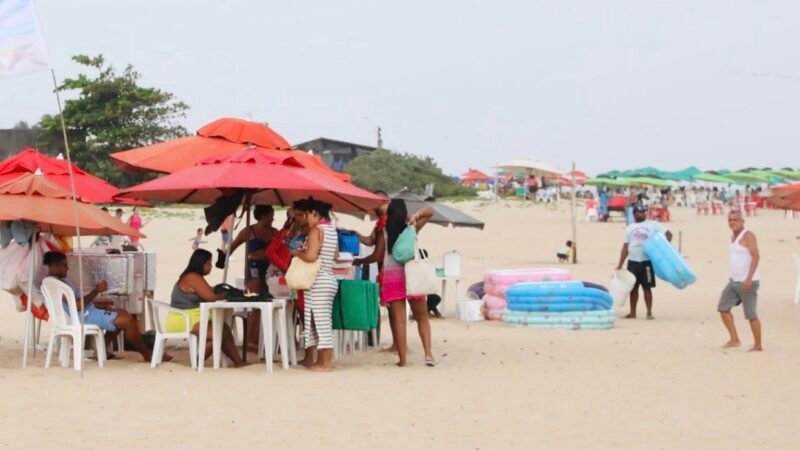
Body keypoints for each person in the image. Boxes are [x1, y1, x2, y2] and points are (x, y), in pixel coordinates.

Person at [42, 251, 161, 362]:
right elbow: (78, 305)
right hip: (81, 317)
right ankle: (147, 354)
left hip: (83, 313)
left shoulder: (53, 282)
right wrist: (97, 290)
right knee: (126, 320)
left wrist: (98, 307)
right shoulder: (57, 285)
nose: (67, 268)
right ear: (55, 266)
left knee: (121, 313)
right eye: (64, 265)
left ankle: (101, 350)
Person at [167, 249, 247, 367]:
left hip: (192, 317)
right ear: (201, 263)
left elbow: (207, 290)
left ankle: (237, 362)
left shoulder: (193, 276)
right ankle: (198, 361)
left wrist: (218, 291)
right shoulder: (193, 277)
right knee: (220, 332)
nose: (211, 266)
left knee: (223, 329)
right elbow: (210, 297)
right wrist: (226, 295)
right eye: (208, 263)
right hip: (184, 319)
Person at [382, 199, 436, 367]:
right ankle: (428, 355)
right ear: (405, 213)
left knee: (399, 321)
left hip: (392, 278)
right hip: (412, 274)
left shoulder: (384, 231)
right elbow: (430, 210)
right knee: (422, 317)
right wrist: (416, 216)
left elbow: (378, 254)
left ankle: (403, 360)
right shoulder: (412, 228)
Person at [290, 199, 338, 372]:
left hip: (318, 281)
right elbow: (335, 255)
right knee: (323, 321)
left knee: (320, 322)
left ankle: (325, 363)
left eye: (307, 214)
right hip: (328, 278)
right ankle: (322, 361)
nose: (306, 218)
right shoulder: (331, 230)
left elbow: (310, 257)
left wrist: (297, 253)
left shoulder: (316, 231)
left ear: (315, 214)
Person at [615, 204, 673, 319]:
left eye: (643, 212)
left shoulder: (653, 225)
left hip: (647, 262)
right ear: (634, 214)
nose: (642, 214)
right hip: (633, 262)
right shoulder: (629, 228)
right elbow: (625, 246)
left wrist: (662, 248)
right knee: (633, 288)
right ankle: (632, 313)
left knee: (647, 288)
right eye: (639, 212)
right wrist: (620, 264)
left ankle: (649, 313)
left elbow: (669, 234)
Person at [718, 211, 762, 351]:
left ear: (742, 221)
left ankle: (758, 345)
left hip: (748, 281)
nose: (732, 222)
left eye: (735, 220)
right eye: (730, 220)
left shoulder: (748, 235)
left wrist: (749, 278)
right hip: (734, 281)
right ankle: (734, 339)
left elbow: (756, 257)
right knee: (723, 308)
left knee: (751, 314)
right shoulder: (733, 236)